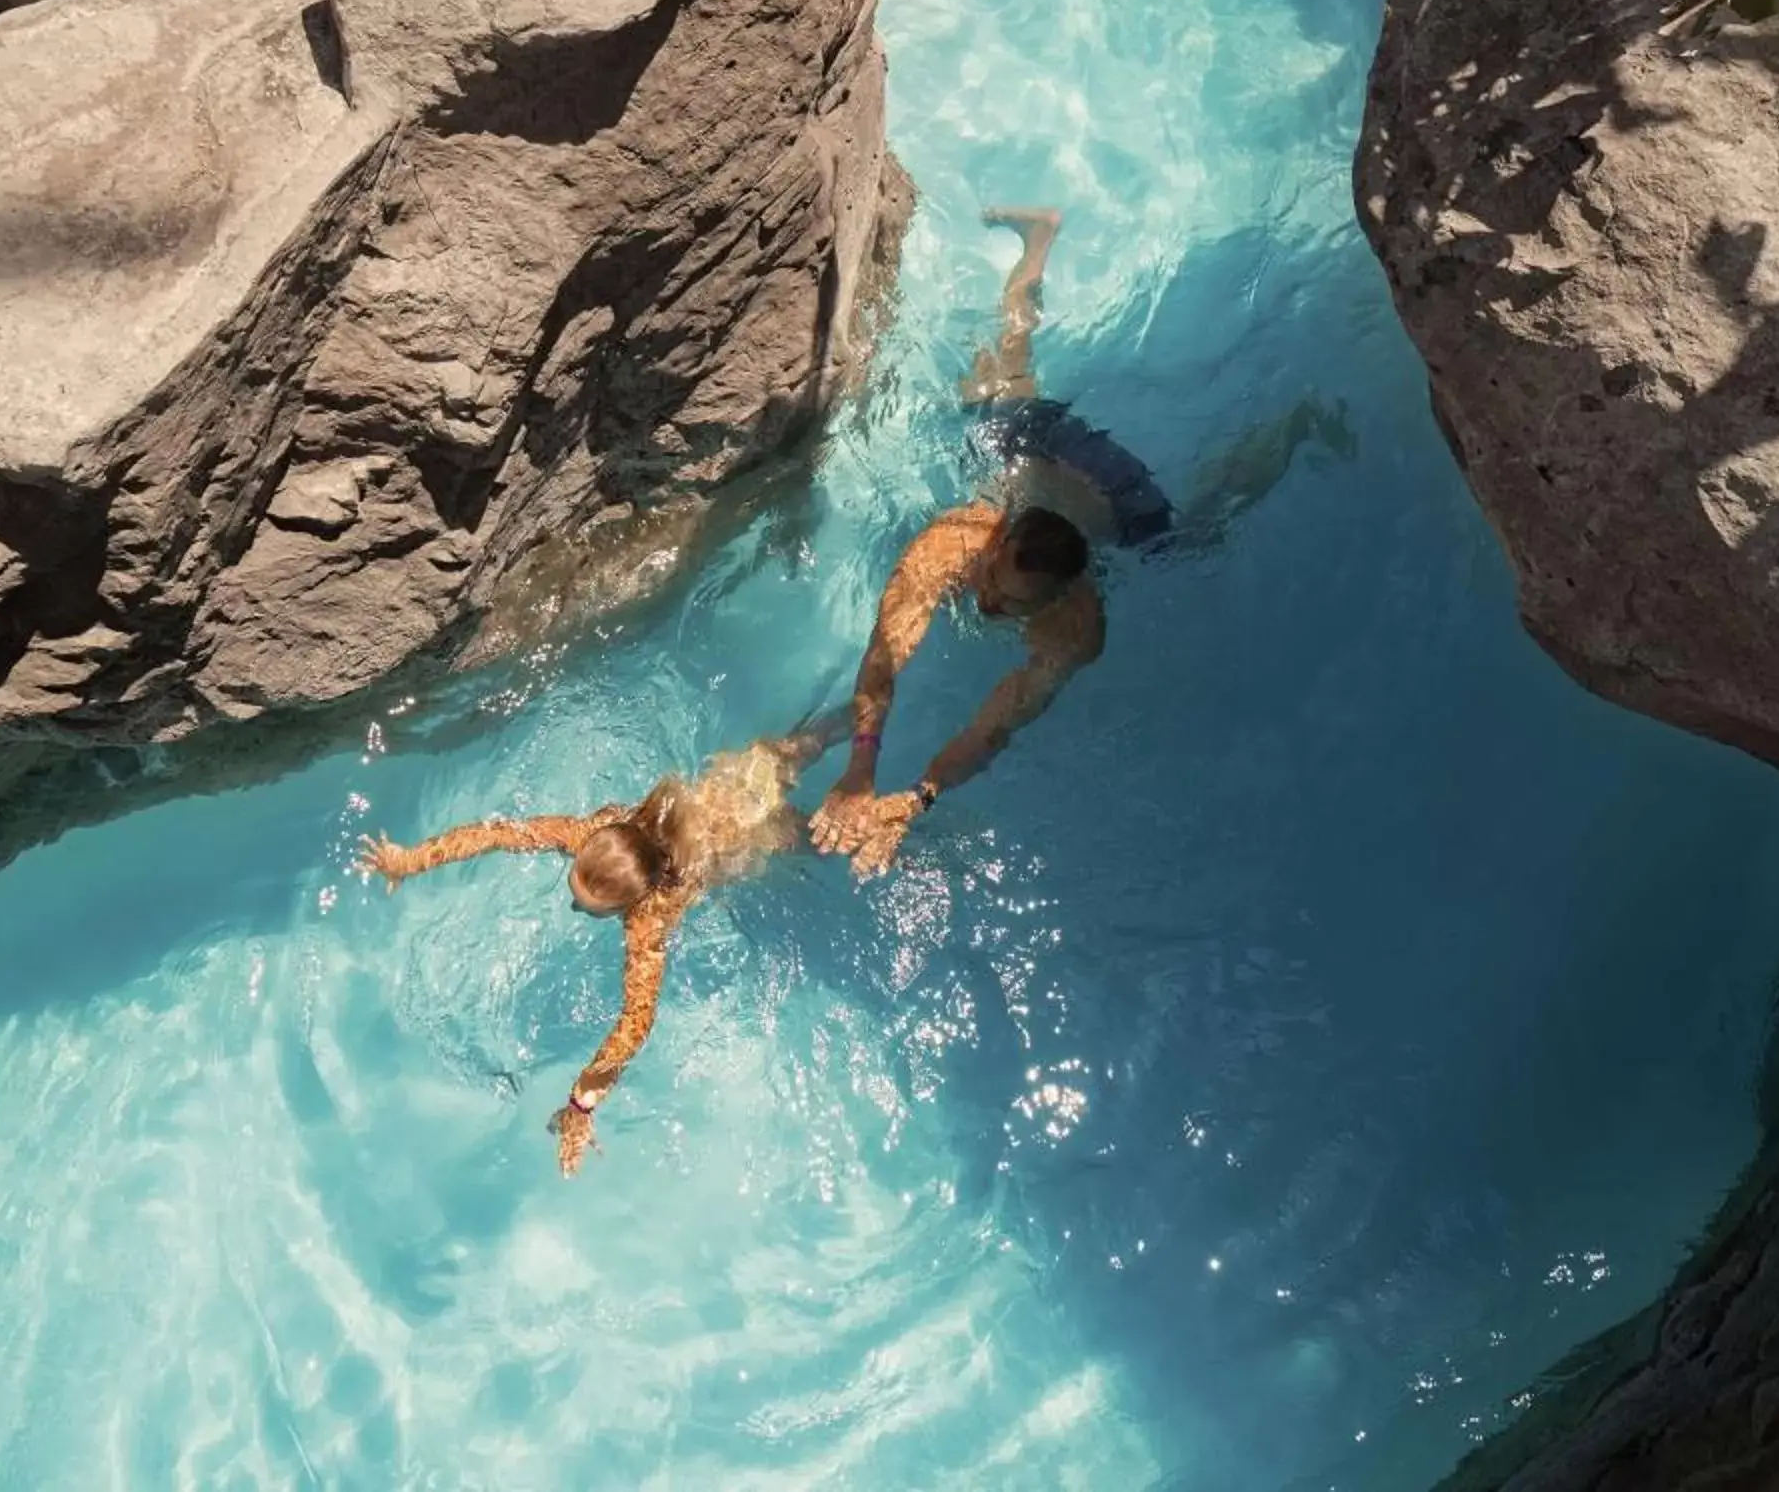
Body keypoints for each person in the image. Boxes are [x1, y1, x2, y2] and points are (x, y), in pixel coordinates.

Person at [810, 207, 1175, 879]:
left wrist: (914, 800)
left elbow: (995, 727)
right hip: (1037, 456)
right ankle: (1040, 235)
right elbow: (884, 653)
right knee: (1010, 350)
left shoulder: (1075, 630)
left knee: (1196, 532)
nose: (985, 603)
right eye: (992, 580)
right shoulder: (958, 539)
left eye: (1011, 605)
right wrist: (861, 769)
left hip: (1117, 500)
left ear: (1067, 594)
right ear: (997, 537)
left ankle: (1284, 436)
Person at [356, 718, 840, 1174]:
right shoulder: (594, 836)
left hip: (755, 839)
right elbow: (500, 834)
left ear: (630, 904)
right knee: (810, 740)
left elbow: (636, 1024)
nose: (575, 909)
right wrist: (412, 860)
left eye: (589, 908)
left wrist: (580, 1104)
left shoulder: (648, 920)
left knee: (830, 839)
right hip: (740, 782)